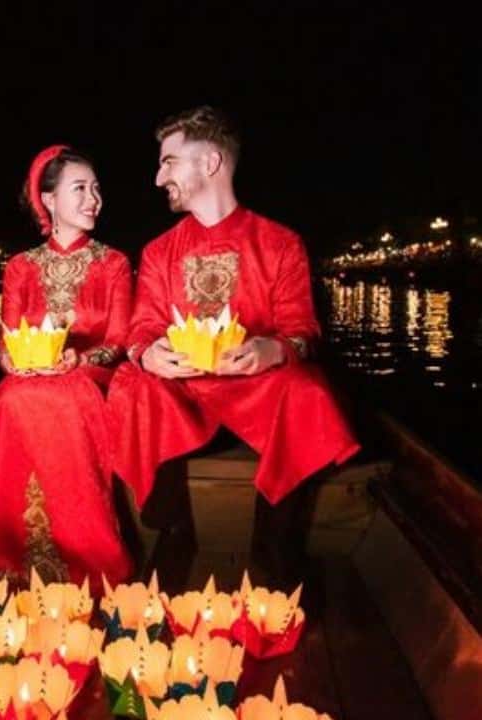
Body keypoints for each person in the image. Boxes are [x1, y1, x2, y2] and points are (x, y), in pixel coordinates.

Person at [107, 106, 360, 581]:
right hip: (184, 393)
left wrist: (273, 350)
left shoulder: (281, 242)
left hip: (254, 390)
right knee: (134, 383)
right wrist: (148, 353)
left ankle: (276, 546)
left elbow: (303, 329)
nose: (159, 178)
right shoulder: (159, 251)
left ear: (210, 163)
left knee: (306, 390)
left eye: (168, 162)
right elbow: (141, 329)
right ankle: (171, 530)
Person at [0, 145, 134, 590]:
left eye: (96, 188)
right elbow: (8, 337)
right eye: (80, 188)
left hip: (91, 375)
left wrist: (80, 358)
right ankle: (10, 557)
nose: (94, 199)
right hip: (33, 377)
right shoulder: (21, 266)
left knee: (59, 395)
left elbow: (118, 342)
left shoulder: (113, 263)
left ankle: (89, 561)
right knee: (15, 395)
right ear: (49, 199)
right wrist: (8, 358)